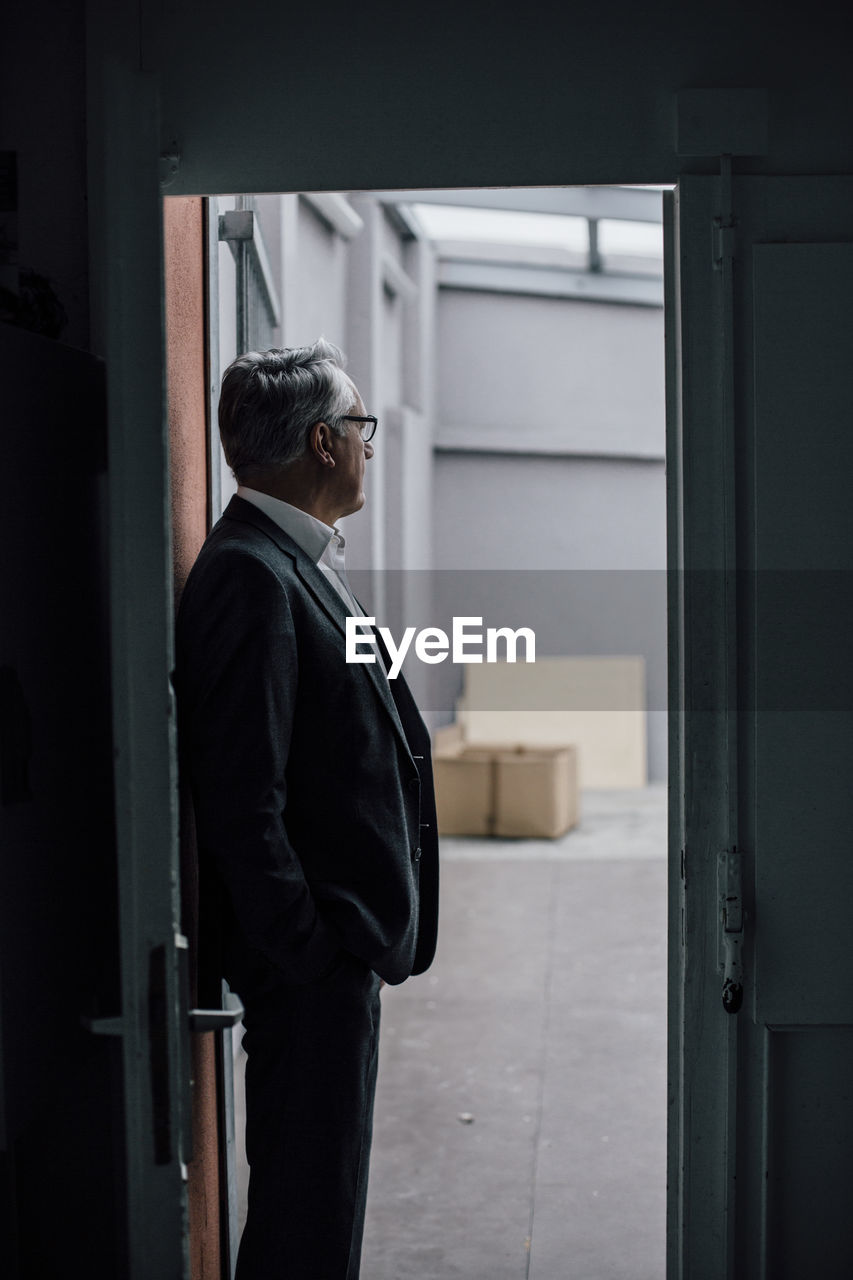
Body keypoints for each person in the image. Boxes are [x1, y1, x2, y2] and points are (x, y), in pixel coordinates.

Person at [175, 340, 439, 1279]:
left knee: (317, 1199)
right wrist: (312, 952)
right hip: (312, 962)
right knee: (305, 1213)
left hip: (330, 952)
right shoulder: (252, 573)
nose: (371, 447)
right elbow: (243, 798)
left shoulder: (296, 555)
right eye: (361, 429)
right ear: (324, 441)